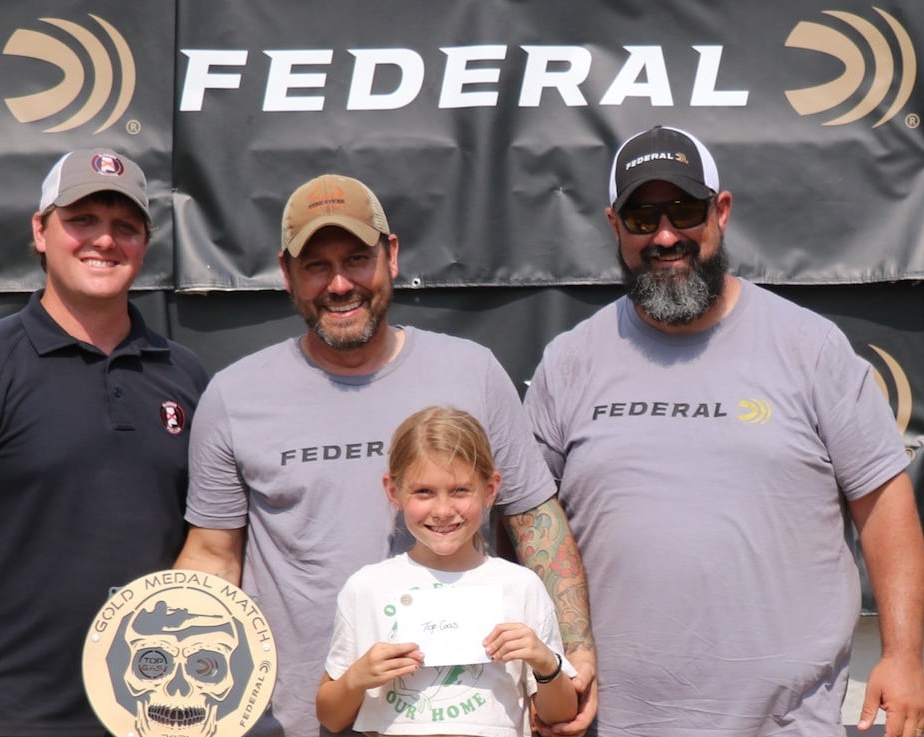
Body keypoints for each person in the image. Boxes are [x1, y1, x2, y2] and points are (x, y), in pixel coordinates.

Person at [523, 124, 924, 736]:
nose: (665, 236)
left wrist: (904, 656)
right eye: (642, 218)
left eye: (684, 211)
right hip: (612, 723)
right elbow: (526, 521)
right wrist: (544, 672)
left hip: (786, 723)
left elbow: (885, 504)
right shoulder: (568, 363)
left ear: (722, 211)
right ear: (614, 226)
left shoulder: (810, 347)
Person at [174, 173, 596, 737]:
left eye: (357, 259)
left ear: (391, 255)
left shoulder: (473, 372)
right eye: (316, 265)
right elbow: (212, 556)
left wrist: (571, 656)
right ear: (286, 273)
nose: (339, 283)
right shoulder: (234, 395)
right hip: (291, 718)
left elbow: (533, 518)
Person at [0, 148, 209, 737]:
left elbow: (209, 548)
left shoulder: (185, 374)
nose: (104, 240)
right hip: (12, 719)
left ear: (145, 243)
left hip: (157, 714)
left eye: (125, 226)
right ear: (40, 230)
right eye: (82, 220)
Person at [318, 406, 578, 736]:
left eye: (460, 490)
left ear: (490, 489)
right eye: (424, 492)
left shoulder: (521, 586)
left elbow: (560, 715)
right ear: (394, 492)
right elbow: (330, 716)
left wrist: (544, 662)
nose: (443, 510)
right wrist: (356, 678)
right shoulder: (366, 588)